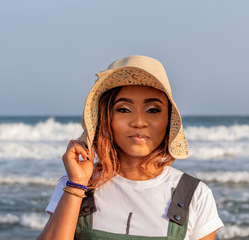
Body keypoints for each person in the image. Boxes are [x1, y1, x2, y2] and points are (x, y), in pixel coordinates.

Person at [38, 55, 223, 240]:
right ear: (105, 118)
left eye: (153, 110)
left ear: (168, 120)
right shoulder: (75, 185)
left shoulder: (195, 195)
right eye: (124, 109)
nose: (139, 122)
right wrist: (77, 185)